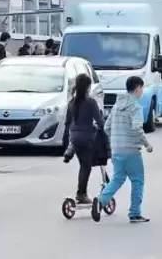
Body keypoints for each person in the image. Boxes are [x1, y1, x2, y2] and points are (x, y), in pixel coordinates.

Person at [91, 76, 152, 224]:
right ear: (137, 88)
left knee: (118, 178)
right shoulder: (135, 108)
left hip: (117, 149)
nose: (142, 91)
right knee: (137, 180)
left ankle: (101, 200)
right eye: (141, 88)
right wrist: (147, 144)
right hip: (131, 150)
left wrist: (115, 141)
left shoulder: (116, 106)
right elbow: (137, 128)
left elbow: (107, 127)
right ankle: (135, 213)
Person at [64, 74, 104, 204]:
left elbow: (67, 122)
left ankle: (69, 151)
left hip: (74, 137)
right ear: (88, 86)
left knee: (83, 164)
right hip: (87, 137)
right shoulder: (91, 102)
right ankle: (81, 194)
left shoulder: (71, 103)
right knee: (86, 167)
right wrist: (99, 127)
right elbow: (100, 121)